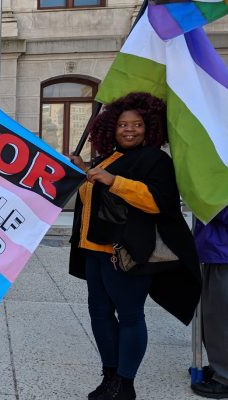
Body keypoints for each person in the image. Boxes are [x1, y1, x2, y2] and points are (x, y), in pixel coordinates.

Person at [68, 92, 201, 400]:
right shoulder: (108, 159)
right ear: (111, 128)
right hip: (95, 252)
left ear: (149, 127)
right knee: (99, 314)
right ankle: (110, 376)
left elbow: (158, 202)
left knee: (130, 316)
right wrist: (83, 168)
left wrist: (113, 181)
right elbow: (94, 197)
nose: (129, 130)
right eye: (123, 124)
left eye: (137, 124)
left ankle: (125, 385)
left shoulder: (156, 159)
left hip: (125, 255)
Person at [191, 206, 228, 398]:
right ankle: (219, 366)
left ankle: (225, 378)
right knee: (212, 318)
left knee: (221, 321)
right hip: (217, 252)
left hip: (224, 254)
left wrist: (206, 202)